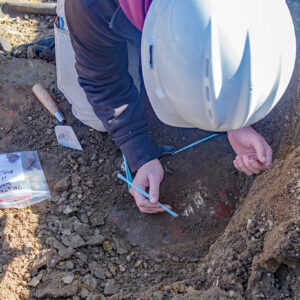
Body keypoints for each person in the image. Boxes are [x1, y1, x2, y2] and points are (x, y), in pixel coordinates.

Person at [62, 0, 296, 214]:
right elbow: (103, 82)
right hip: (102, 18)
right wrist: (139, 153)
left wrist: (237, 119)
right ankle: (67, 28)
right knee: (94, 115)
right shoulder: (90, 6)